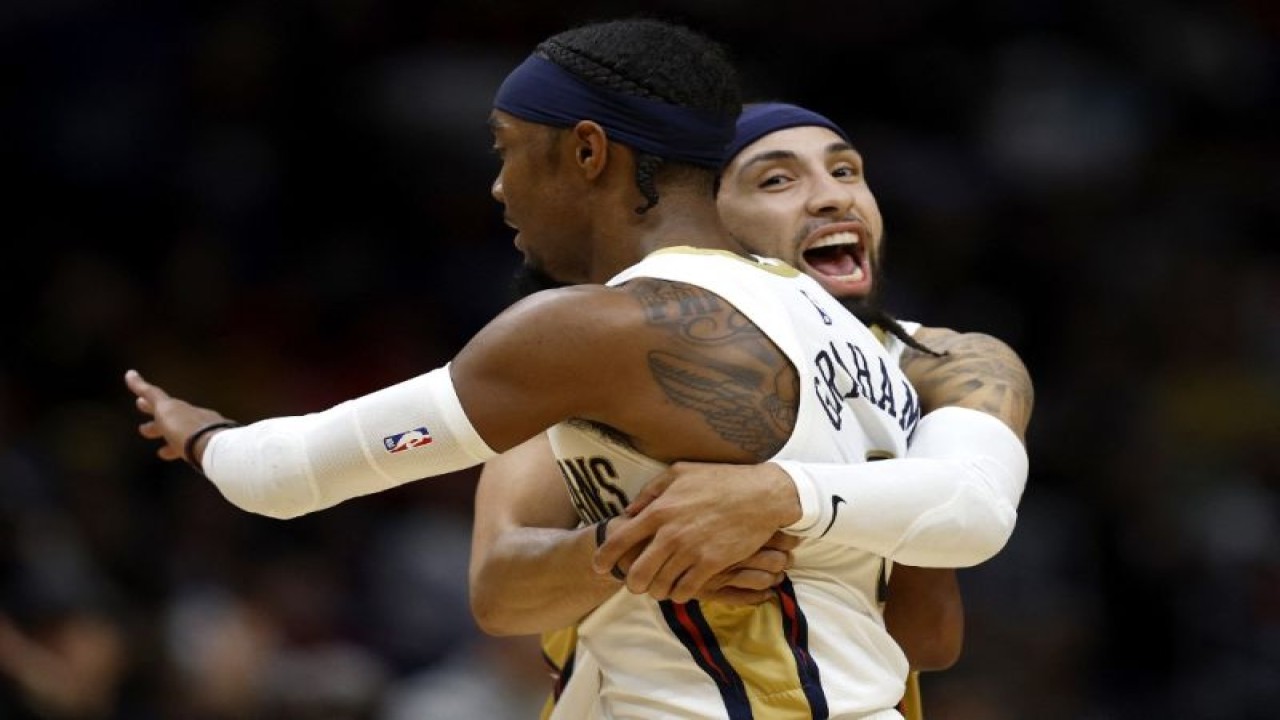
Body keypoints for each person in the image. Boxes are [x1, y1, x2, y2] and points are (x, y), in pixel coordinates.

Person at [126, 18, 1025, 718]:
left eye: (506, 149)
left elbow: (283, 475)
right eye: (779, 177)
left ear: (589, 152)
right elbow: (936, 605)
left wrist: (199, 432)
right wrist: (647, 546)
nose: (496, 186)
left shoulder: (601, 328)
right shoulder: (862, 353)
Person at [468, 102, 1034, 719]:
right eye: (777, 180)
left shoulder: (938, 363)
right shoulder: (611, 349)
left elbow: (930, 638)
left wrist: (780, 497)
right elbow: (499, 593)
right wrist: (653, 551)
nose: (831, 198)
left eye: (846, 172)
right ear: (704, 225)